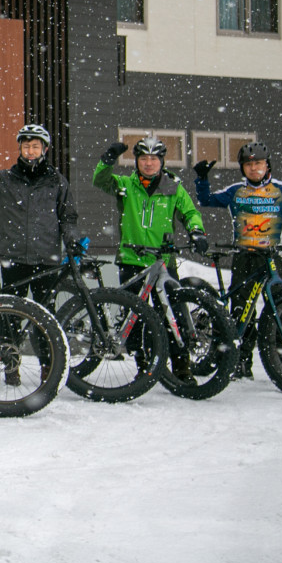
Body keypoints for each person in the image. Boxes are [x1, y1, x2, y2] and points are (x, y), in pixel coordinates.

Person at [193, 141, 282, 379]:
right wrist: (202, 179)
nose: (254, 168)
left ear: (267, 165)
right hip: (244, 257)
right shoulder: (235, 190)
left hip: (274, 257)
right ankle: (241, 362)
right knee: (240, 311)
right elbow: (206, 200)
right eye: (249, 164)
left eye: (258, 163)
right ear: (243, 168)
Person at [93, 135, 207, 380]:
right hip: (132, 260)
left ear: (162, 161)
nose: (148, 163)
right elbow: (100, 180)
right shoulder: (125, 185)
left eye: (154, 159)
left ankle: (181, 366)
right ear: (136, 161)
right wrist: (108, 159)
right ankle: (143, 366)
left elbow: (190, 213)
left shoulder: (173, 187)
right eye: (143, 158)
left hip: (163, 261)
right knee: (134, 317)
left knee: (172, 314)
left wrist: (197, 232)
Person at [0, 124, 83, 302]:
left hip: (47, 260)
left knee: (44, 317)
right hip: (14, 259)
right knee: (10, 315)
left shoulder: (56, 181)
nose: (30, 151)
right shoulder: (6, 179)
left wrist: (72, 241)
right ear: (20, 149)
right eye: (26, 146)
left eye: (35, 147)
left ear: (44, 149)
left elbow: (68, 217)